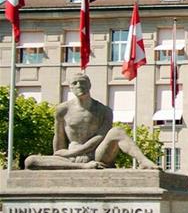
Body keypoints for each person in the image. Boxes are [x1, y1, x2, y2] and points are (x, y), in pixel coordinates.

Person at [25, 73, 160, 170]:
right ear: (70, 87)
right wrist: (66, 154)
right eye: (75, 83)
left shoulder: (104, 110)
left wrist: (75, 152)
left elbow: (100, 137)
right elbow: (59, 145)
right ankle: (81, 167)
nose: (79, 85)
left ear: (89, 85)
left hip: (96, 154)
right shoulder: (62, 110)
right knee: (30, 161)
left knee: (117, 131)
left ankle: (143, 161)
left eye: (82, 82)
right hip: (70, 158)